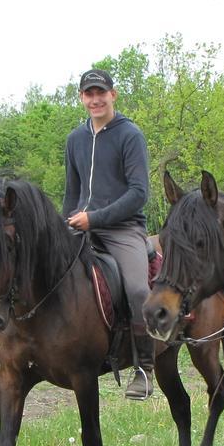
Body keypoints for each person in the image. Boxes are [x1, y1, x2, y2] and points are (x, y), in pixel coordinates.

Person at [64, 67, 155, 400]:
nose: (95, 99)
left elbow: (138, 193)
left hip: (122, 228)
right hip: (80, 225)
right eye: (89, 94)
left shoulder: (129, 135)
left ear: (113, 94)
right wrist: (66, 223)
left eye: (100, 93)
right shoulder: (75, 139)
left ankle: (144, 368)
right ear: (81, 98)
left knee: (135, 289)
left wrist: (96, 218)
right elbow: (70, 194)